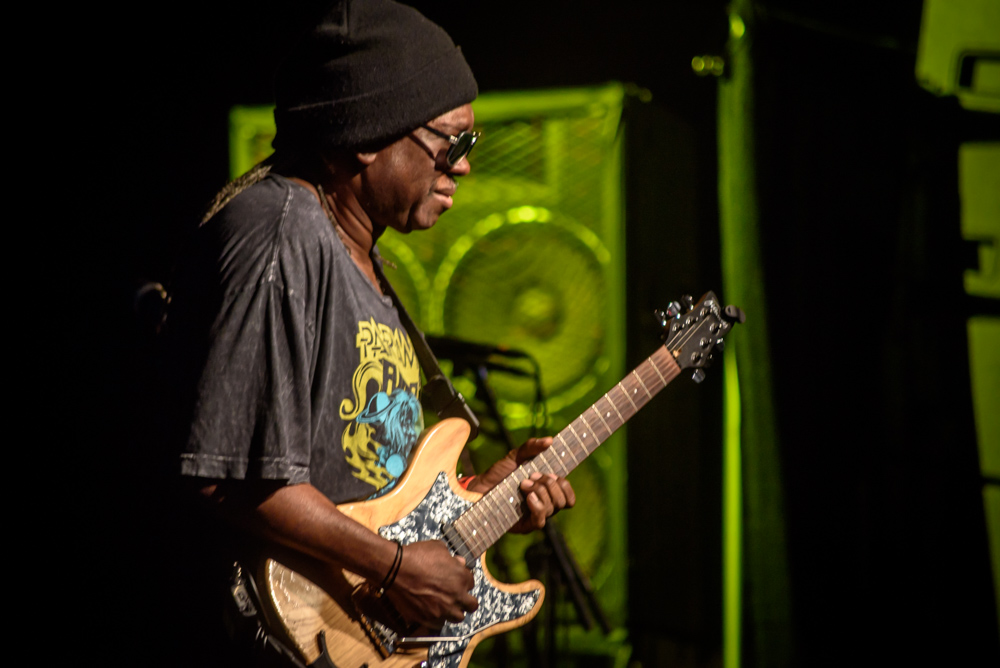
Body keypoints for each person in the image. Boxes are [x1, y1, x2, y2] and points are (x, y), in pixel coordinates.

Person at [162, 1, 575, 664]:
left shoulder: (363, 259)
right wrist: (392, 569)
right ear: (369, 133)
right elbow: (227, 475)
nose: (464, 166)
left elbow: (368, 479)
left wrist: (489, 496)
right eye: (452, 143)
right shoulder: (282, 234)